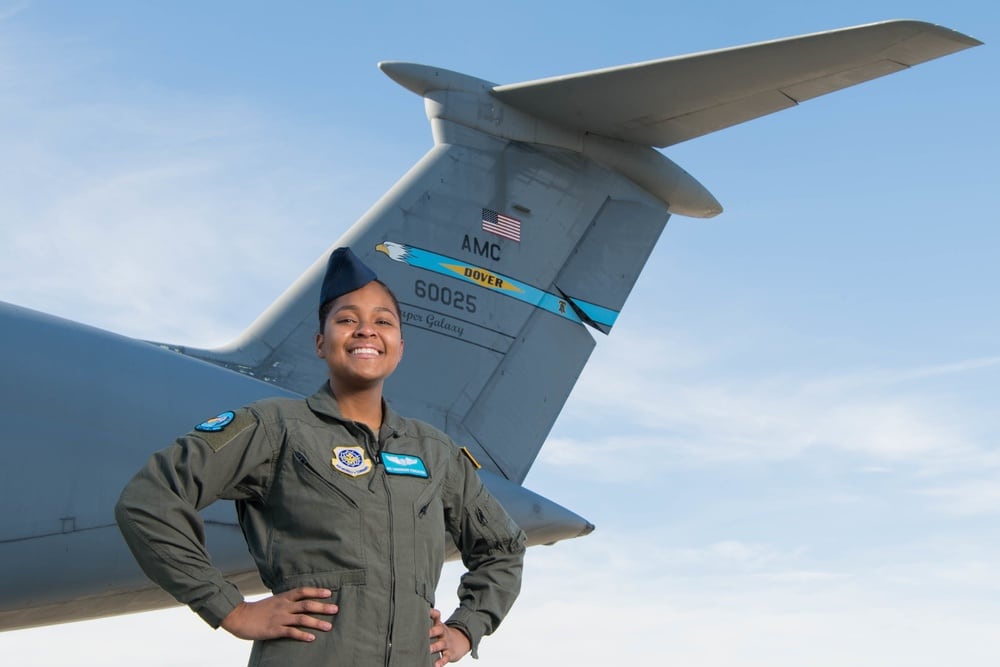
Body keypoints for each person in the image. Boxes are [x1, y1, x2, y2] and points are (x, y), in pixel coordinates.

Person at [115, 247, 526, 666]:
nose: (366, 331)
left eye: (383, 321)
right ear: (319, 343)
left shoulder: (433, 452)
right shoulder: (274, 428)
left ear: (399, 347)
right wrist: (231, 609)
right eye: (347, 320)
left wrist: (465, 628)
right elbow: (149, 499)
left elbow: (503, 546)